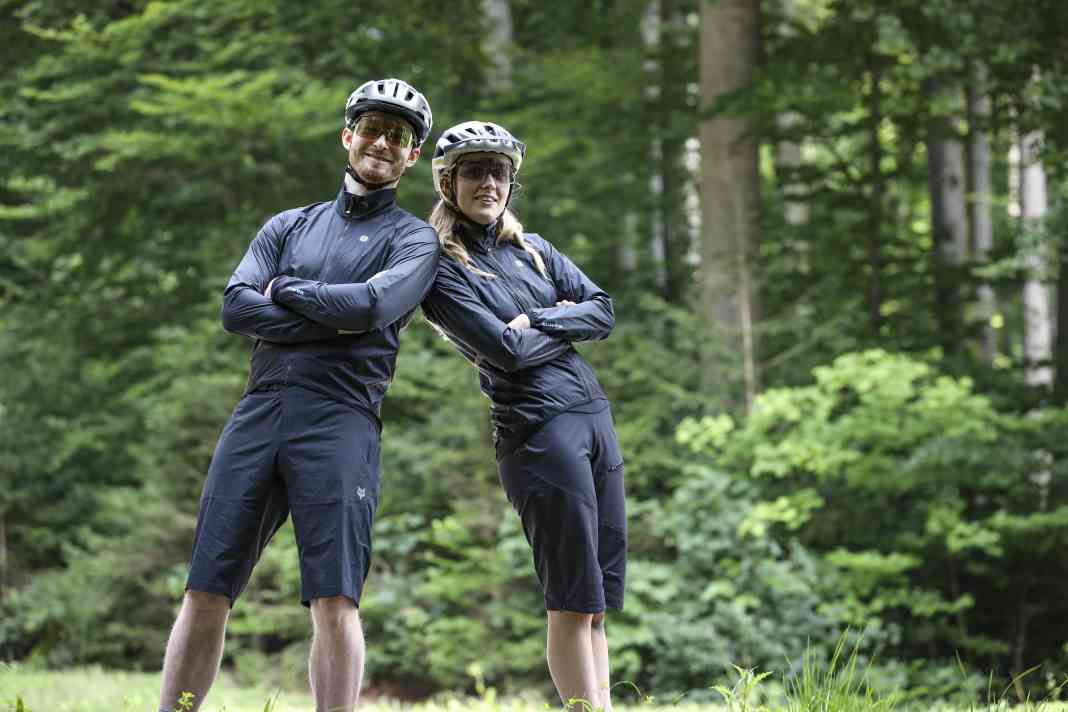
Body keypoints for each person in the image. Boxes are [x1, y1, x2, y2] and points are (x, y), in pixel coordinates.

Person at [157, 78, 439, 712]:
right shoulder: (288, 224)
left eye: (399, 136)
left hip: (341, 419)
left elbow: (372, 305)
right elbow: (235, 307)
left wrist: (286, 292)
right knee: (206, 588)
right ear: (348, 136)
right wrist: (327, 319)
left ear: (413, 156)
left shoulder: (416, 240)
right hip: (259, 411)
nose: (382, 143)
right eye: (372, 128)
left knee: (335, 599)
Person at [421, 121, 627, 711]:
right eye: (474, 172)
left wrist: (538, 322)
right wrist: (563, 319)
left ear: (511, 183)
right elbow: (503, 353)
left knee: (597, 601)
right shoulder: (441, 269)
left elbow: (603, 310)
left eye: (499, 173)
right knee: (571, 596)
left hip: (594, 420)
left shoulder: (531, 248)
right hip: (538, 430)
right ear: (446, 181)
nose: (488, 183)